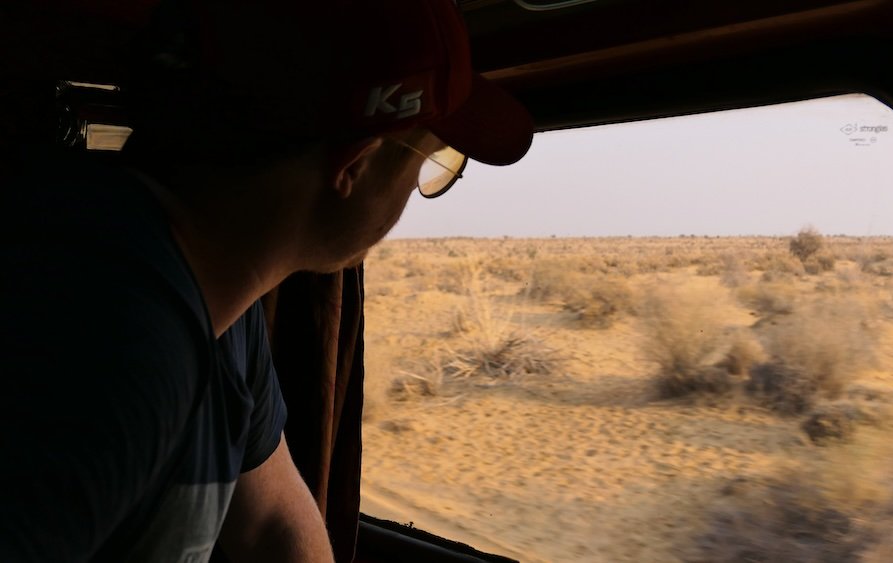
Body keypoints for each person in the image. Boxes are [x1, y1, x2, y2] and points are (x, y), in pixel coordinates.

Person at [0, 0, 533, 561]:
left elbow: (272, 523)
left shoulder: (220, 303)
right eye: (428, 162)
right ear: (354, 165)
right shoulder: (102, 337)